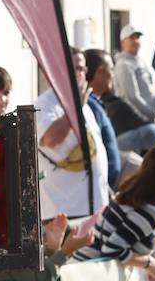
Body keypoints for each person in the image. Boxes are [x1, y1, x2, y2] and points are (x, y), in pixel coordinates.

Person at [72, 142, 155, 281]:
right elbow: (112, 249)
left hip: (80, 272)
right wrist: (150, 263)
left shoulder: (130, 196)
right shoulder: (147, 211)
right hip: (87, 280)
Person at [36, 47, 110, 222]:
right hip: (65, 213)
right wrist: (75, 109)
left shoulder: (84, 105)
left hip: (94, 207)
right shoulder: (45, 104)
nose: (81, 74)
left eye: (83, 69)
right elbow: (51, 139)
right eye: (76, 68)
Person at [83, 50, 122, 188]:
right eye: (111, 69)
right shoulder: (89, 106)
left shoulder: (94, 103)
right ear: (100, 71)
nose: (113, 74)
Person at [114, 25, 155, 123]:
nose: (135, 41)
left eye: (137, 37)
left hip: (148, 117)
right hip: (138, 121)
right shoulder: (124, 65)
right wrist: (153, 114)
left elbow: (149, 87)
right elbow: (132, 97)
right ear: (123, 42)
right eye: (131, 38)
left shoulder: (140, 61)